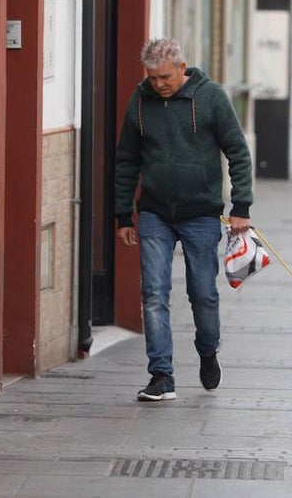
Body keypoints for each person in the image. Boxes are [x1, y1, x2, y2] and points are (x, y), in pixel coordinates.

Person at [115, 38, 253, 402]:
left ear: (182, 68)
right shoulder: (140, 101)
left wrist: (241, 207)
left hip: (201, 213)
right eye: (152, 77)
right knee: (153, 294)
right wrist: (122, 215)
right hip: (155, 212)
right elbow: (126, 160)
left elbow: (237, 151)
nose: (158, 84)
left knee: (203, 294)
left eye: (164, 77)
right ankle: (161, 374)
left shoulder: (211, 98)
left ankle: (208, 351)